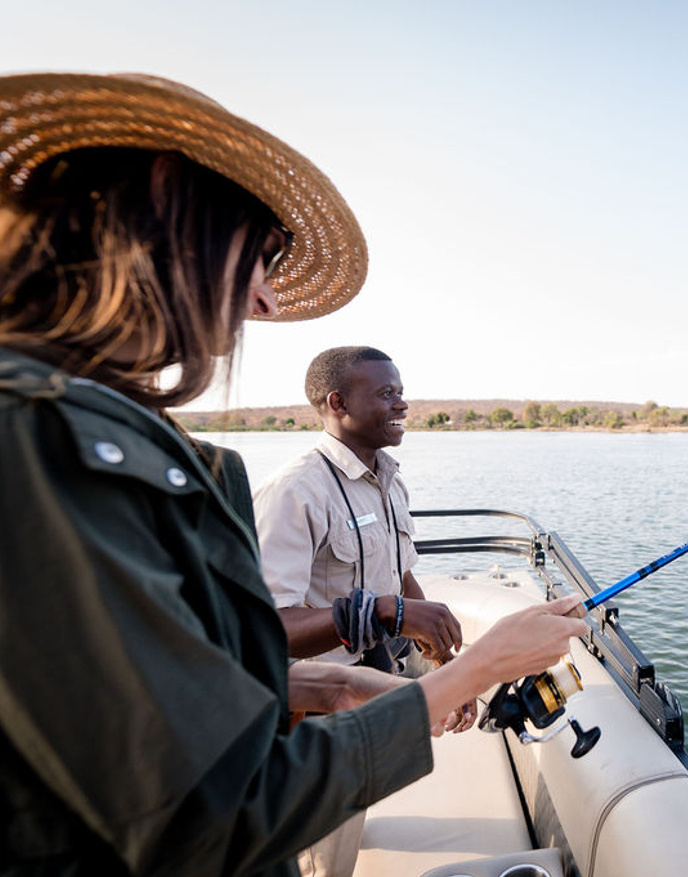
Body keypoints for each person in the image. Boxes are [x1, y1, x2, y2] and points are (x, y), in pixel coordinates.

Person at [0, 72, 587, 877]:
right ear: (168, 199)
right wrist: (479, 670)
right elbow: (210, 814)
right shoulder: (39, 438)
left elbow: (133, 702)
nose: (267, 301)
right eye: (266, 253)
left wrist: (318, 687)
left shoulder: (86, 429)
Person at [254, 346, 476, 877]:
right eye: (386, 393)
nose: (402, 403)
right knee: (325, 857)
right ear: (338, 403)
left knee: (356, 810)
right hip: (314, 709)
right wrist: (386, 612)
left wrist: (447, 666)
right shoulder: (295, 491)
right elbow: (263, 630)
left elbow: (399, 579)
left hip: (375, 678)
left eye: (401, 391)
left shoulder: (390, 479)